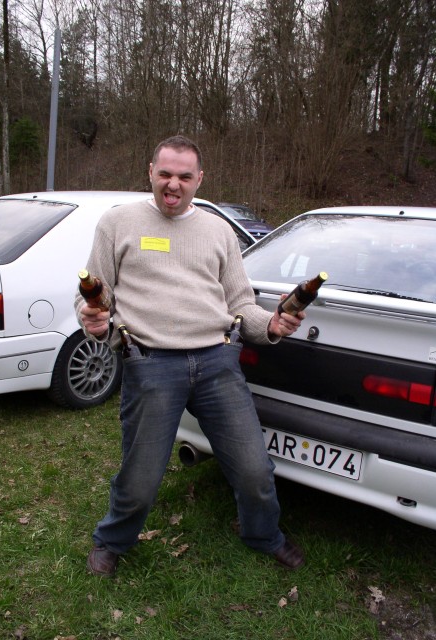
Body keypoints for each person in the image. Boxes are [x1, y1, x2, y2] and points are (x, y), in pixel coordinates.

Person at [75, 135, 306, 577]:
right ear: (150, 172)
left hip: (217, 362)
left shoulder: (219, 231)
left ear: (200, 179)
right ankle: (113, 541)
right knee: (141, 478)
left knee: (254, 469)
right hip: (151, 365)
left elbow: (241, 303)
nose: (173, 184)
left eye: (184, 176)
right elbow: (93, 297)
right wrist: (95, 321)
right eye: (165, 174)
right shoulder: (117, 223)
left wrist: (271, 326)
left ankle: (262, 534)